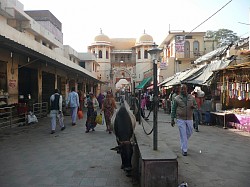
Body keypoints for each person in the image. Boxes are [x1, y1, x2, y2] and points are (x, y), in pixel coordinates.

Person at [171, 84, 197, 156]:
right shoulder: (177, 98)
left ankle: (183, 141)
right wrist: (172, 119)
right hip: (180, 118)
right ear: (180, 90)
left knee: (190, 131)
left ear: (187, 89)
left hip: (189, 118)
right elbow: (173, 109)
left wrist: (193, 107)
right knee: (183, 134)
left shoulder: (191, 98)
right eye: (182, 89)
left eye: (184, 89)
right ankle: (184, 150)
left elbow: (196, 105)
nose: (183, 90)